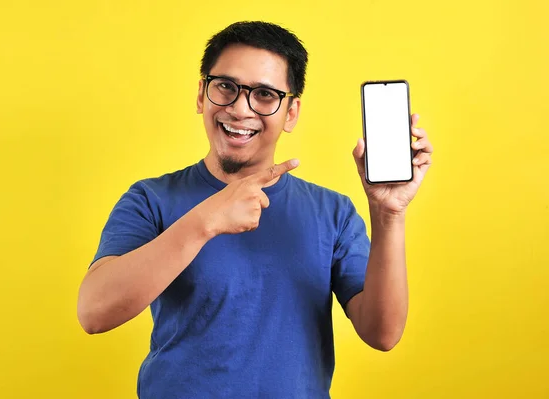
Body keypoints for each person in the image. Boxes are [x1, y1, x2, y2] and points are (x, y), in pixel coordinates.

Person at [77, 21, 433, 399]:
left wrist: (389, 214)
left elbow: (382, 333)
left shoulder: (333, 212)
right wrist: (206, 220)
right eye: (226, 87)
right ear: (202, 94)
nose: (240, 108)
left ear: (291, 112)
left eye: (264, 94)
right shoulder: (150, 199)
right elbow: (94, 312)